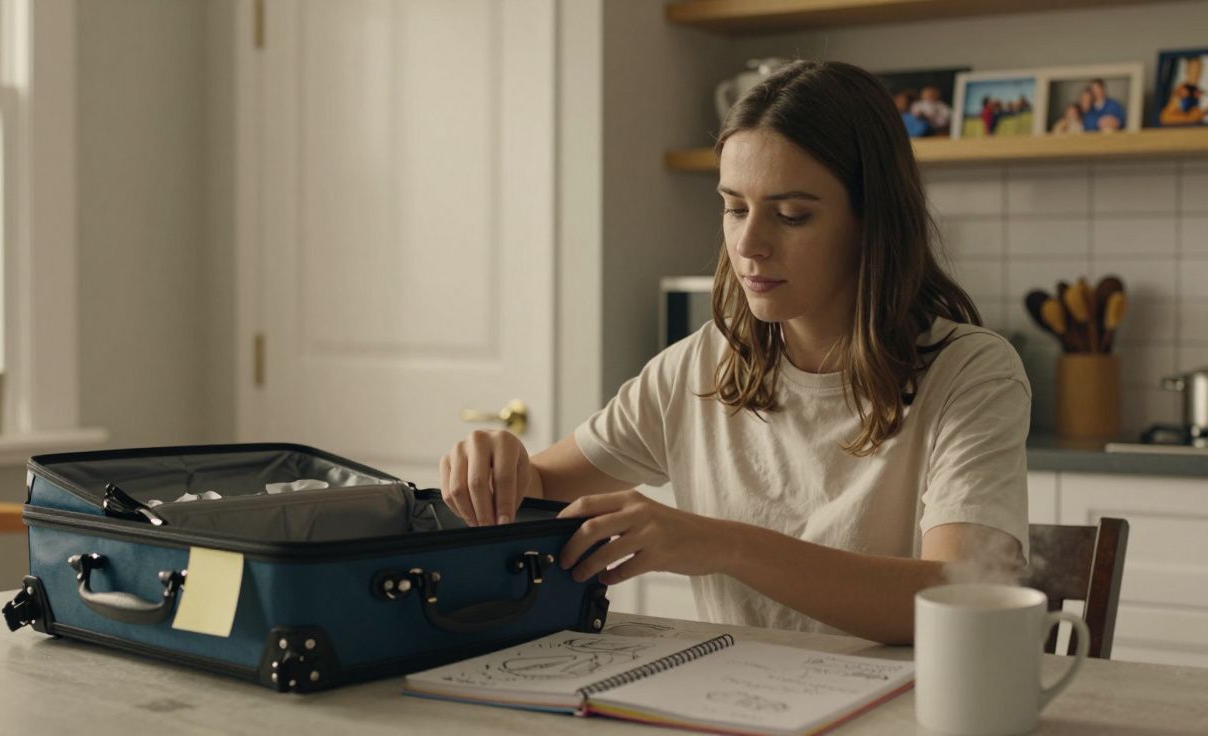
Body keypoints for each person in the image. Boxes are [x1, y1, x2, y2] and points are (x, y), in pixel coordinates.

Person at [439, 60, 1030, 645]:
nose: (749, 245)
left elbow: (961, 599)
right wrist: (498, 464)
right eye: (734, 207)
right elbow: (539, 489)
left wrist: (723, 543)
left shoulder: (972, 372)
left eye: (791, 215)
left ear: (872, 220)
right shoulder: (698, 367)